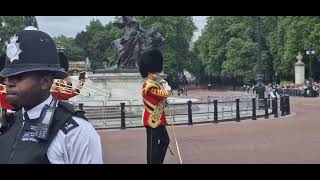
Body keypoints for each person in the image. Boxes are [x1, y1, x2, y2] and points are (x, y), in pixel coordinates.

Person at [0, 27, 103, 164]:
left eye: (18, 76)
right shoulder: (10, 124)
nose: (8, 83)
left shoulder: (75, 131)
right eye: (7, 77)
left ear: (46, 82)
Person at [139, 48, 172, 164]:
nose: (158, 74)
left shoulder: (154, 84)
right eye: (156, 71)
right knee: (154, 145)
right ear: (150, 71)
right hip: (152, 120)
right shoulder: (149, 86)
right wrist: (166, 86)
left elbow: (160, 99)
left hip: (157, 118)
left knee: (164, 141)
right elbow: (165, 94)